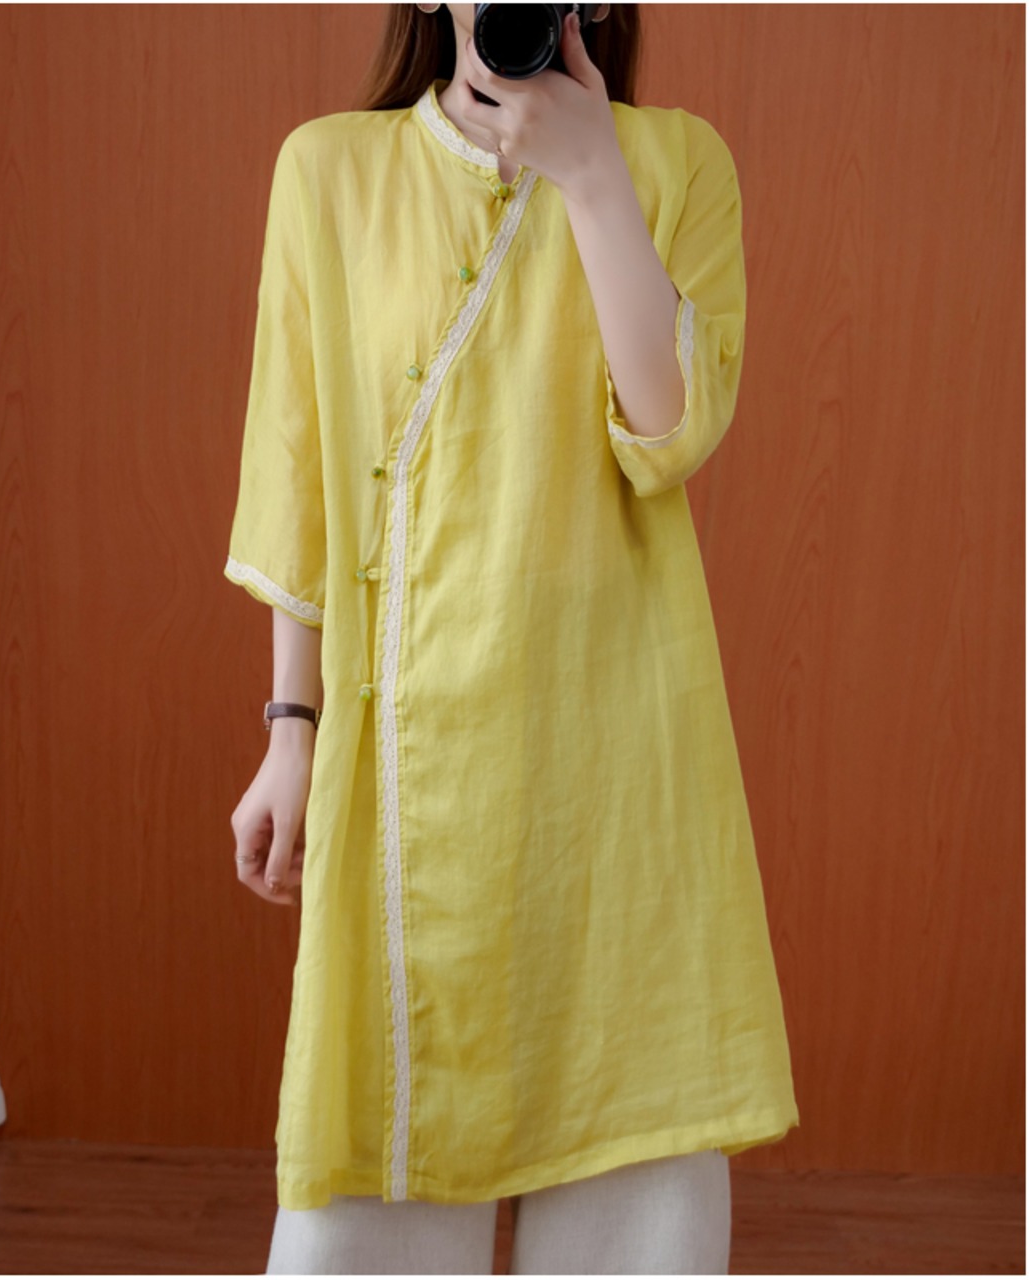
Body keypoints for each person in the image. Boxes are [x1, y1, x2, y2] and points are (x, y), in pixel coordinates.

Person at [225, 2, 800, 1273]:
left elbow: (668, 431)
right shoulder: (328, 170)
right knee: (372, 1167)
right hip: (402, 774)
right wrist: (289, 730)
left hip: (615, 784)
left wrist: (590, 175)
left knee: (626, 1163)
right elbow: (294, 471)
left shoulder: (676, 162)